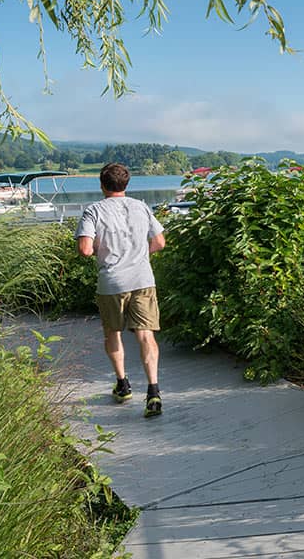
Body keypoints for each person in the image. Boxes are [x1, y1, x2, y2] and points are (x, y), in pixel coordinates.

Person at [76, 163, 168, 417]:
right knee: (146, 335)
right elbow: (159, 242)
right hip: (142, 279)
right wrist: (138, 255)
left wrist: (103, 252)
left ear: (102, 185)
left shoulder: (93, 210)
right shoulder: (141, 207)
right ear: (126, 184)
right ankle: (153, 392)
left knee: (113, 333)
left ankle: (123, 385)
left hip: (112, 282)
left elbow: (84, 249)